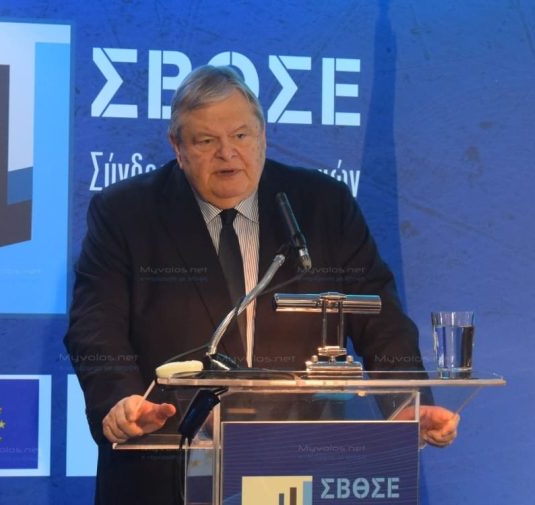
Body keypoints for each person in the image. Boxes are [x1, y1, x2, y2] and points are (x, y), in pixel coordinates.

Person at [64, 65, 459, 505]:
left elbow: (380, 316)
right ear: (177, 146)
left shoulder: (322, 205)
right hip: (165, 469)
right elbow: (95, 326)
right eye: (206, 140)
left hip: (300, 465)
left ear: (263, 136)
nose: (227, 154)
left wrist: (409, 400)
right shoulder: (126, 213)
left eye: (241, 135)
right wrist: (121, 401)